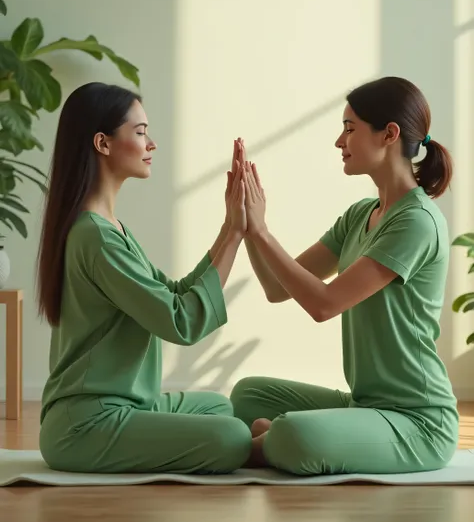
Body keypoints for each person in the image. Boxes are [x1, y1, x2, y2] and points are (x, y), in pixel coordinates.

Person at [230, 76, 459, 476]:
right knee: (248, 395)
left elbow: (323, 304)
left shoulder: (418, 222)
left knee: (296, 437)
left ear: (389, 134)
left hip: (418, 423)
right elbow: (276, 288)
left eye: (349, 129)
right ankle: (278, 438)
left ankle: (277, 441)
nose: (339, 142)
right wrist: (247, 226)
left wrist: (264, 232)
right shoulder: (360, 216)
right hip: (365, 406)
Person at [36, 82, 252, 474]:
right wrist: (236, 237)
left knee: (219, 406)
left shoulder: (110, 228)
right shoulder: (96, 237)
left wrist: (229, 227)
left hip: (130, 404)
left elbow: (172, 295)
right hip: (86, 425)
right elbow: (180, 320)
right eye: (140, 133)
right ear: (102, 143)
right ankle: (256, 448)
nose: (151, 144)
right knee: (231, 437)